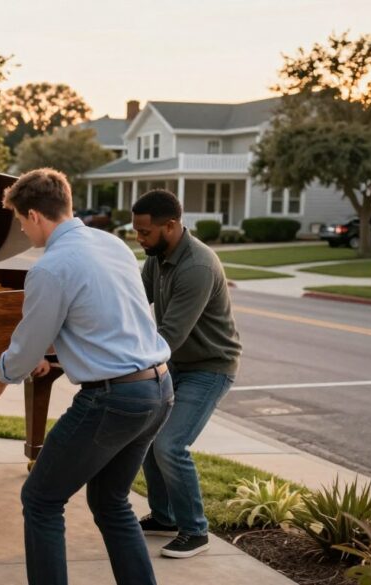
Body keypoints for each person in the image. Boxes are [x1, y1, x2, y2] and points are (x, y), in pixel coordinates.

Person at [0, 168, 173, 585]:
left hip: (113, 400)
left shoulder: (50, 267)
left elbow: (28, 343)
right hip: (157, 388)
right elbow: (104, 317)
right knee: (111, 500)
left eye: (19, 221)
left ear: (34, 216)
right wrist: (57, 356)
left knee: (41, 499)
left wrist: (2, 375)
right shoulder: (113, 245)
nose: (23, 230)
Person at [132, 189, 242, 558]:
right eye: (136, 231)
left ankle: (195, 530)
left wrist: (123, 363)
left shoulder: (196, 266)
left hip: (210, 367)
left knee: (170, 445)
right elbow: (131, 303)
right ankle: (164, 518)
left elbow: (169, 337)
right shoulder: (158, 257)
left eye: (145, 232)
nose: (139, 238)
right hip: (176, 363)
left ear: (172, 226)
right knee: (147, 435)